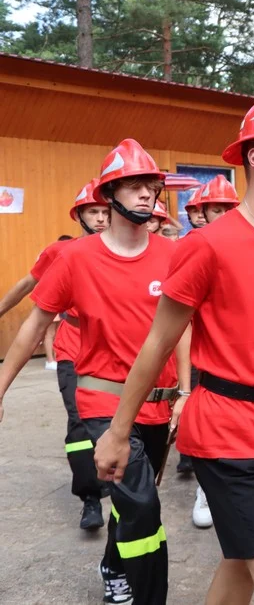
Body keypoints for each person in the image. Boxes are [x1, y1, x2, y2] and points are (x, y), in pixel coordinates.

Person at [93, 87, 254, 605]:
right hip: (225, 434)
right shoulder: (207, 246)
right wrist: (118, 433)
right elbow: (158, 343)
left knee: (239, 565)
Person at [0, 139, 188, 605]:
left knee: (131, 504)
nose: (147, 194)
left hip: (157, 404)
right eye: (134, 186)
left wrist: (186, 390)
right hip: (102, 400)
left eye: (152, 186)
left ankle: (112, 564)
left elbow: (183, 329)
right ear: (108, 194)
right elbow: (33, 328)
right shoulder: (75, 259)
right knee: (144, 504)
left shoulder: (173, 256)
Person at [0, 178, 110, 530]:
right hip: (74, 347)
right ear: (79, 216)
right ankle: (90, 498)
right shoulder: (61, 252)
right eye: (93, 212)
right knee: (79, 424)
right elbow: (25, 285)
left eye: (105, 211)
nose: (101, 219)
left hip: (119, 350)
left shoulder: (133, 250)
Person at [175, 173, 241, 496]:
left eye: (227, 209)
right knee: (199, 408)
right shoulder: (191, 247)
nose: (221, 217)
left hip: (233, 350)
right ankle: (198, 472)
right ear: (200, 213)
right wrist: (183, 388)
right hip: (200, 347)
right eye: (215, 210)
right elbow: (179, 320)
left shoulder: (246, 248)